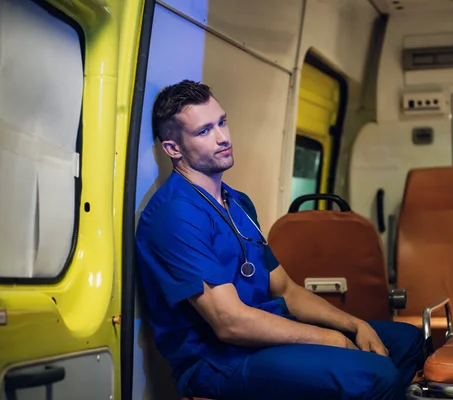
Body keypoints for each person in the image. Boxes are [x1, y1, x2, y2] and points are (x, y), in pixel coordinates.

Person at [136, 79, 425, 400]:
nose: (222, 138)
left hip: (265, 335)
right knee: (376, 375)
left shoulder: (238, 202)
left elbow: (285, 289)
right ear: (173, 149)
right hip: (218, 359)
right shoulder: (175, 214)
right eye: (204, 131)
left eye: (222, 122)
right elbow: (229, 323)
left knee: (407, 340)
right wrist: (329, 339)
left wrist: (355, 325)